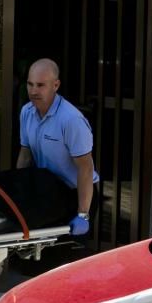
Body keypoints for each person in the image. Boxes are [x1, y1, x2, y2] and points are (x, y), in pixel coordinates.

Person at [15, 58, 98, 236]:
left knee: (70, 257)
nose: (34, 91)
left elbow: (86, 167)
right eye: (30, 84)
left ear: (56, 85)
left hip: (76, 194)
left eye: (40, 85)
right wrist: (17, 189)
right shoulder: (26, 112)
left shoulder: (70, 120)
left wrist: (83, 214)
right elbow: (25, 154)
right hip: (48, 191)